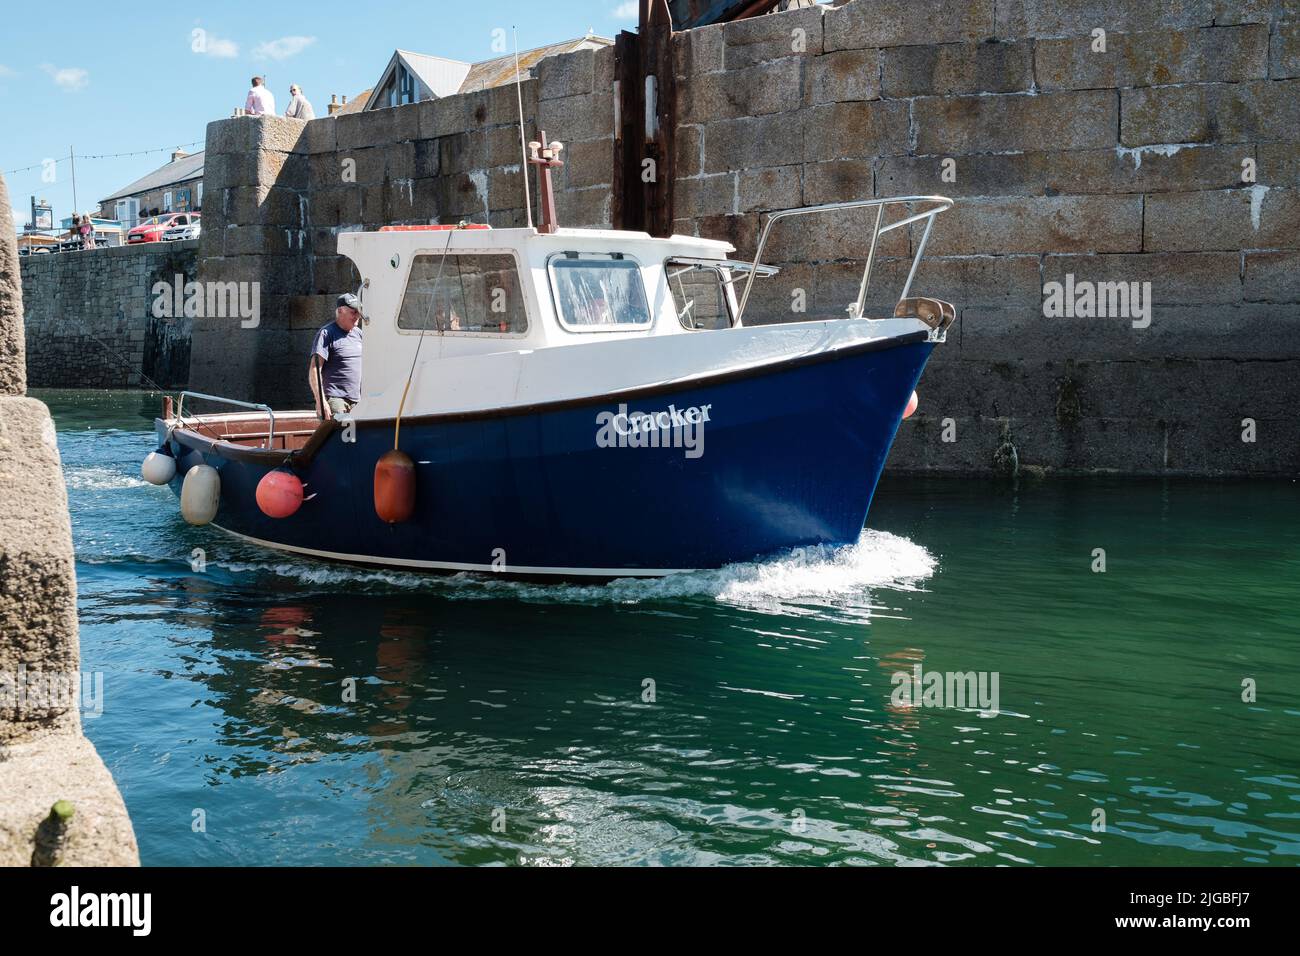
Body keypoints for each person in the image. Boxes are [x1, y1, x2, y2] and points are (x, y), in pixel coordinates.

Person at [309, 293, 364, 420]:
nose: (358, 316)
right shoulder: (327, 333)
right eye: (353, 312)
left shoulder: (359, 334)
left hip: (357, 400)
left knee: (356, 439)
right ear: (340, 311)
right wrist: (321, 401)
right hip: (336, 400)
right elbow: (314, 369)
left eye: (359, 312)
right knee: (341, 438)